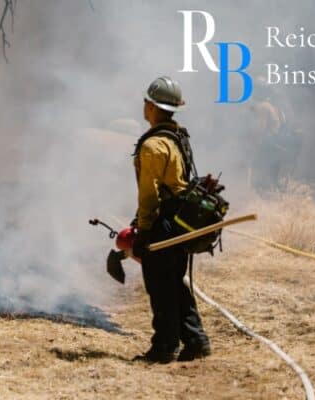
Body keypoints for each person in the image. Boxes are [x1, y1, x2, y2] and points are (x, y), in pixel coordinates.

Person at [130, 76, 211, 363]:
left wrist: (143, 231)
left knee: (160, 285)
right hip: (179, 220)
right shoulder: (177, 138)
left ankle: (163, 347)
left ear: (151, 106)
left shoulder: (153, 146)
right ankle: (195, 340)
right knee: (175, 282)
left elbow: (150, 195)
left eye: (145, 102)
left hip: (163, 222)